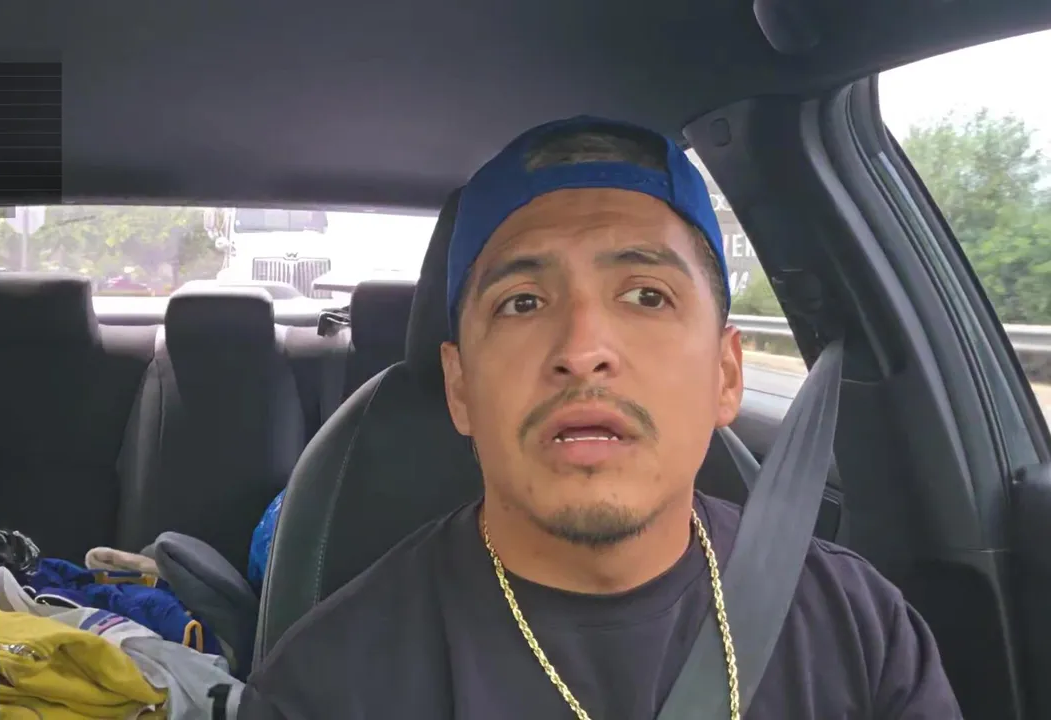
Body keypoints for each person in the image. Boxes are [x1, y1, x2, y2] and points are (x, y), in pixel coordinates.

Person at [238, 116, 961, 719]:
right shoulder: (323, 689)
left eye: (646, 295)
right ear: (460, 387)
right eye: (522, 303)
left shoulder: (860, 630)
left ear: (725, 374)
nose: (582, 350)